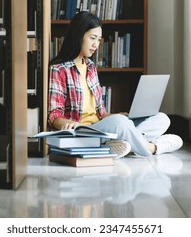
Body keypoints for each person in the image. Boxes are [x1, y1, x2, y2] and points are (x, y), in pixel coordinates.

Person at [48, 11, 183, 158]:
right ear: (78, 35)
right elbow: (54, 115)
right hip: (84, 132)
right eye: (92, 38)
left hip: (102, 128)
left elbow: (102, 114)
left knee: (162, 118)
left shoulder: (90, 67)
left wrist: (118, 116)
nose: (96, 44)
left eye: (99, 40)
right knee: (120, 123)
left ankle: (124, 143)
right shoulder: (59, 70)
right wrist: (67, 124)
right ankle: (150, 148)